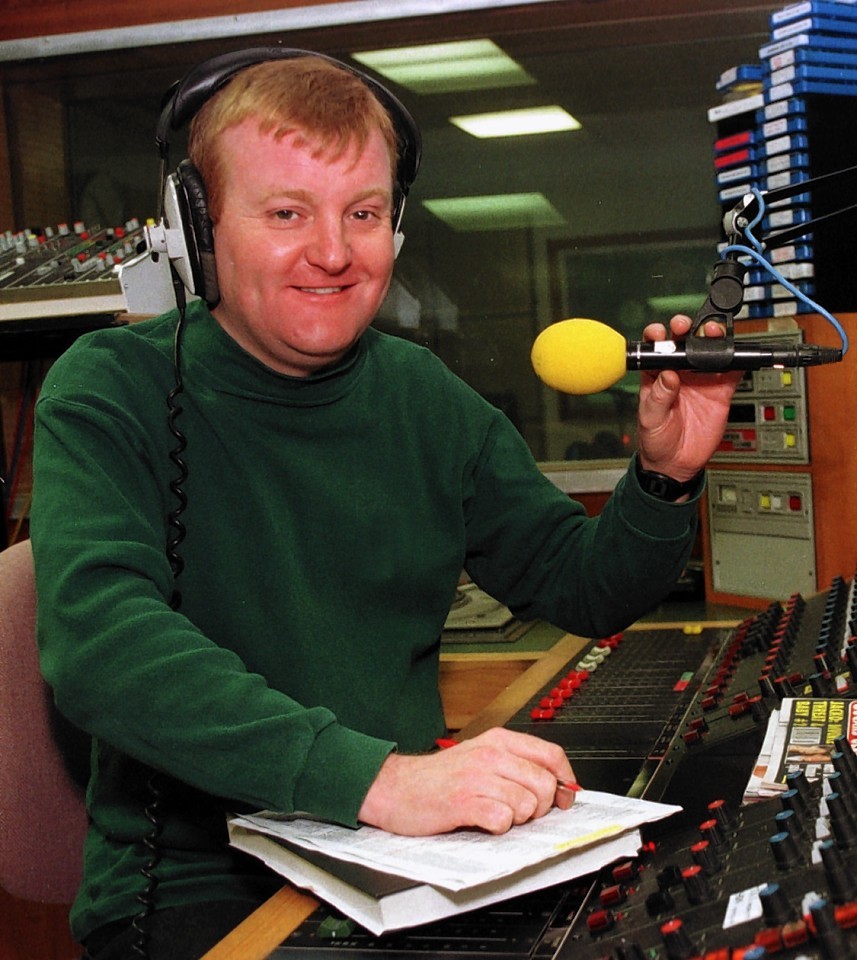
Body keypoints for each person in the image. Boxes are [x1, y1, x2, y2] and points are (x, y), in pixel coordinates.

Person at [29, 51, 742, 960]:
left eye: (362, 214)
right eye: (286, 212)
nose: (333, 252)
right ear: (200, 229)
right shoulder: (110, 387)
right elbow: (101, 642)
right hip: (202, 889)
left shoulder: (422, 395)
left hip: (401, 853)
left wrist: (663, 476)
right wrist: (378, 780)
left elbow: (580, 588)